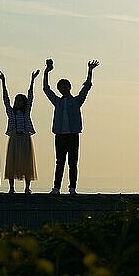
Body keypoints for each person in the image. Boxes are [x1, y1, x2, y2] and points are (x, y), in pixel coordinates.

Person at [43, 59, 99, 195]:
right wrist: (46, 72)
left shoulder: (76, 101)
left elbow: (86, 88)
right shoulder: (57, 101)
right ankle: (56, 188)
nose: (63, 89)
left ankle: (72, 188)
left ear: (69, 87)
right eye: (60, 87)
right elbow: (46, 89)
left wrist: (90, 71)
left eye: (65, 86)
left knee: (72, 163)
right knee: (60, 162)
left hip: (73, 135)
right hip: (60, 135)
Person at [0, 68, 39, 194]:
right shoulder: (11, 113)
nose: (18, 102)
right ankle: (11, 188)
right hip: (14, 138)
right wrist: (3, 82)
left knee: (27, 163)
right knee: (12, 162)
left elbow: (31, 97)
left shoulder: (26, 112)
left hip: (25, 138)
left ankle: (27, 188)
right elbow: (5, 100)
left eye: (21, 100)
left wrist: (32, 81)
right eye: (17, 100)